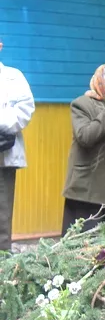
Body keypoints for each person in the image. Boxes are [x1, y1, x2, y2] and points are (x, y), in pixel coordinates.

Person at [62, 63, 105, 235]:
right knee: (80, 247)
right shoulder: (81, 104)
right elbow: (85, 137)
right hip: (86, 190)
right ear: (100, 82)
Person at [0, 37, 34, 251]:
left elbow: (25, 109)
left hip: (3, 157)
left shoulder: (14, 77)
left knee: (2, 216)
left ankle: (1, 267)